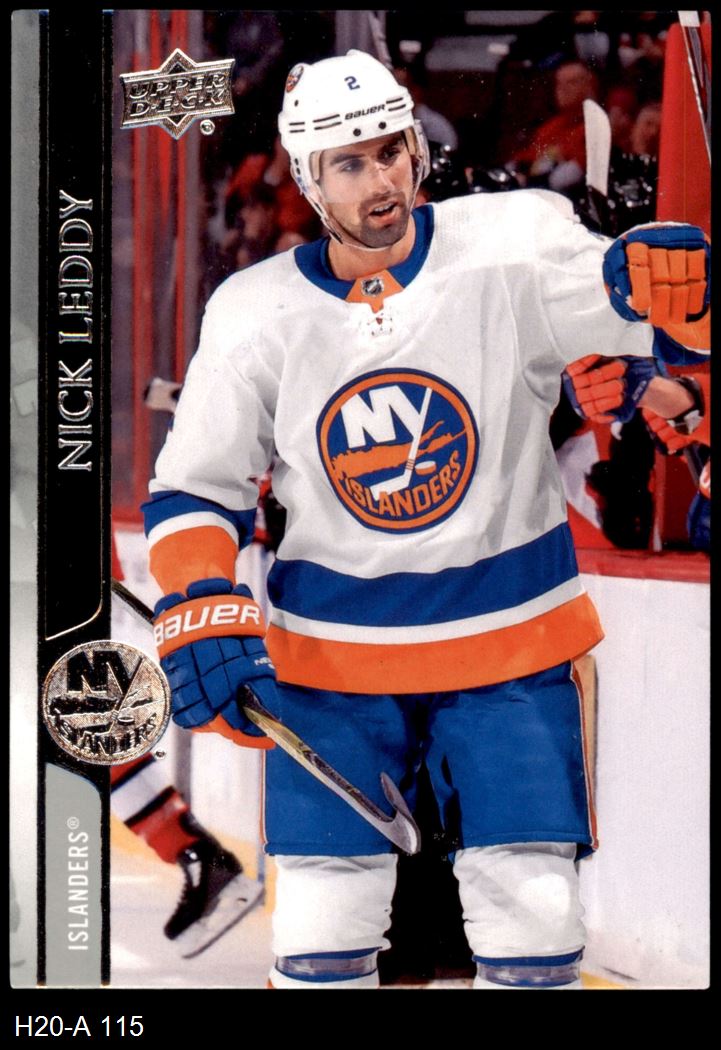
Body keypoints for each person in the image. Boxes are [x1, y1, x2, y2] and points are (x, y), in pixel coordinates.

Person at [142, 51, 710, 990]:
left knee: (535, 914)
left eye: (389, 152)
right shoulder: (253, 311)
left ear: (414, 147)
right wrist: (199, 593)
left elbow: (638, 315)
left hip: (510, 649)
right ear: (308, 177)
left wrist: (668, 286)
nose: (380, 181)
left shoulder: (515, 242)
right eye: (349, 163)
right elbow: (196, 490)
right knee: (320, 928)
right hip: (331, 664)